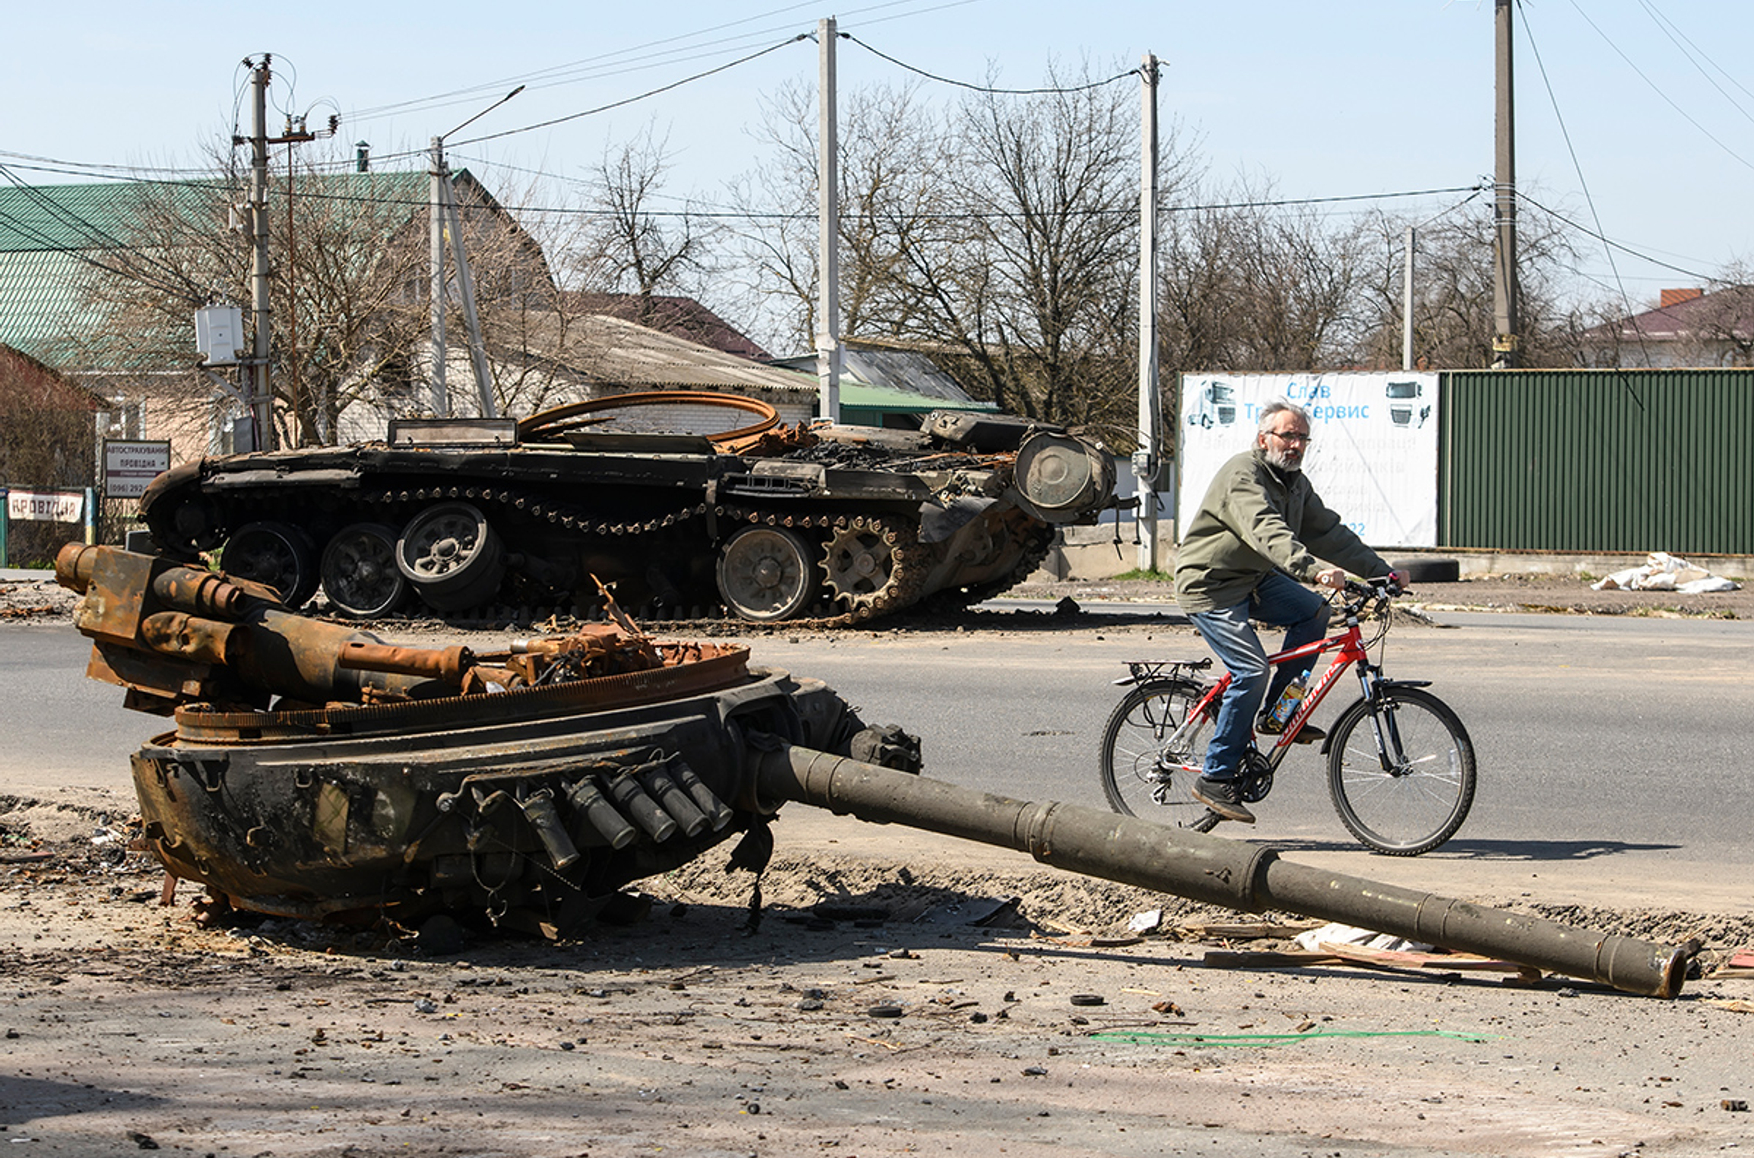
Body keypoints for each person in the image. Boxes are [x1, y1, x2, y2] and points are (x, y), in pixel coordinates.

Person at [1172, 399, 1392, 824]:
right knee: (1252, 670)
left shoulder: (1294, 483)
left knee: (1314, 613)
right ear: (1263, 438)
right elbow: (1266, 531)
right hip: (1210, 585)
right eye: (1287, 435)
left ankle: (1278, 714)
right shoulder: (1243, 475)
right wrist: (1312, 570)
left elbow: (1328, 532)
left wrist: (1382, 572)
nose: (1295, 445)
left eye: (1302, 438)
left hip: (1254, 578)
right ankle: (1215, 777)